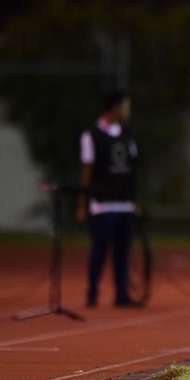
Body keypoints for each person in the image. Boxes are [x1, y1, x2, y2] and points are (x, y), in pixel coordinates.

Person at [76, 91, 141, 308]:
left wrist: (134, 200)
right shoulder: (91, 136)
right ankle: (92, 292)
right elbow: (87, 171)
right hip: (103, 204)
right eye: (125, 106)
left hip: (125, 203)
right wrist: (83, 205)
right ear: (114, 108)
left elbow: (132, 171)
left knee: (123, 252)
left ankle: (121, 293)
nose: (128, 111)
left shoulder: (128, 135)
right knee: (99, 251)